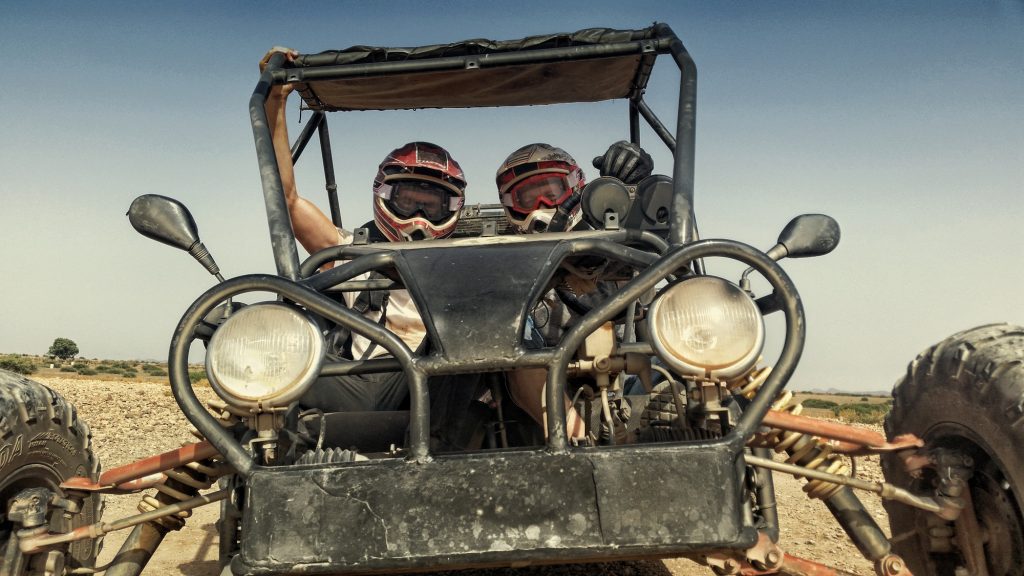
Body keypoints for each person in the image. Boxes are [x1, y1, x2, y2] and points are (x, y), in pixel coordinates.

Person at [264, 48, 467, 413]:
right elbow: (288, 200)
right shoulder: (347, 252)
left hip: (445, 382)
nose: (419, 216)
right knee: (263, 364)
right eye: (408, 201)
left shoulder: (469, 260)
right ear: (385, 196)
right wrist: (275, 101)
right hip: (366, 384)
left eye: (431, 205)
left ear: (451, 209)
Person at [495, 142, 653, 441]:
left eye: (552, 193)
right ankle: (577, 442)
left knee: (684, 357)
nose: (543, 204)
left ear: (577, 189)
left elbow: (651, 279)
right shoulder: (505, 261)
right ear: (509, 205)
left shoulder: (613, 236)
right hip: (545, 397)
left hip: (624, 381)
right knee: (508, 328)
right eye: (527, 198)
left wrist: (634, 188)